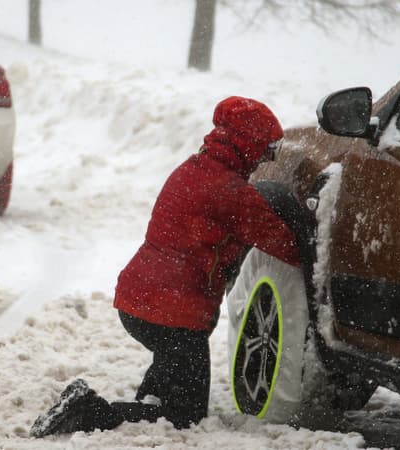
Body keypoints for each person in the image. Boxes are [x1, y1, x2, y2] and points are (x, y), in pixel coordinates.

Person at [30, 96, 300, 437]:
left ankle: (149, 395)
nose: (267, 157)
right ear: (249, 144)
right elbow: (286, 245)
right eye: (268, 147)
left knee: (174, 362)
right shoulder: (231, 192)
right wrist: (301, 221)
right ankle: (88, 411)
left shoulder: (194, 168)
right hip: (173, 314)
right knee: (184, 417)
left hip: (140, 302)